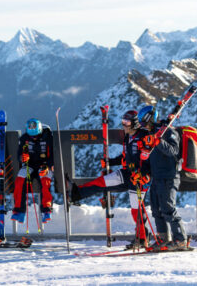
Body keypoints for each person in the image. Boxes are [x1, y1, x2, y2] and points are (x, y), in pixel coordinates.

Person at [70, 110, 152, 248]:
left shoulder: (144, 136)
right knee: (102, 182)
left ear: (135, 123)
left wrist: (144, 174)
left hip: (140, 178)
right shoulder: (127, 138)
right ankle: (75, 193)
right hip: (127, 173)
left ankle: (142, 238)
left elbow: (151, 159)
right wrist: (111, 162)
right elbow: (125, 157)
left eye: (127, 122)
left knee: (135, 209)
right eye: (123, 121)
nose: (123, 125)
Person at [137, 106, 187, 251]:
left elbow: (173, 151)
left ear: (150, 118)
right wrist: (142, 172)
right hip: (156, 177)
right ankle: (163, 239)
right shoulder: (150, 135)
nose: (142, 125)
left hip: (169, 176)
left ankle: (180, 239)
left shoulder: (169, 132)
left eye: (143, 121)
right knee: (156, 209)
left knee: (168, 208)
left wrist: (158, 141)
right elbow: (147, 158)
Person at [11, 118, 54, 224]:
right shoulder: (24, 138)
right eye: (31, 136)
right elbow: (19, 155)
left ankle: (46, 210)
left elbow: (53, 155)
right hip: (29, 165)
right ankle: (19, 211)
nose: (33, 138)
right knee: (20, 180)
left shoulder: (48, 138)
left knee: (45, 180)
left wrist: (48, 166)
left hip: (43, 165)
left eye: (35, 136)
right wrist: (22, 158)